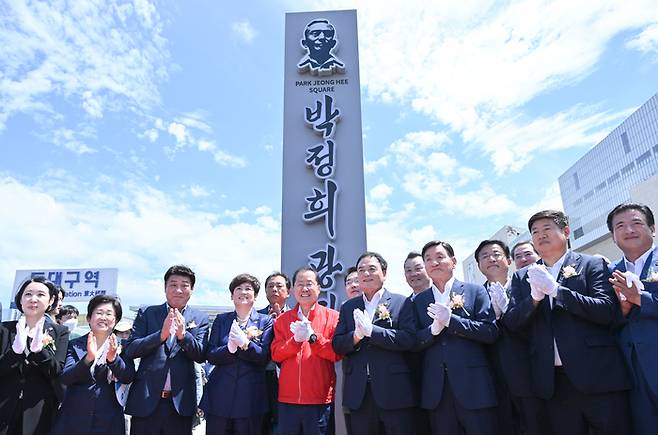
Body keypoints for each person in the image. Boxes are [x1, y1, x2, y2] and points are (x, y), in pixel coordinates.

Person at [503, 210, 632, 435]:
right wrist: (534, 300)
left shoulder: (591, 264)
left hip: (598, 375)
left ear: (565, 231)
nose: (540, 235)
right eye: (535, 232)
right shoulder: (522, 277)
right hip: (553, 382)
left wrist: (557, 291)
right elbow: (512, 324)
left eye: (547, 229)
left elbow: (607, 311)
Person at [413, 241, 498, 435]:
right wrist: (432, 331)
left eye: (440, 257)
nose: (434, 262)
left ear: (453, 261)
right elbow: (413, 342)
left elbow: (490, 332)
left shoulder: (475, 291)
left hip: (474, 387)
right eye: (428, 260)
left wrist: (453, 321)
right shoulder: (419, 301)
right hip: (437, 392)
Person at [332, 252, 416, 435]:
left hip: (393, 391)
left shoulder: (401, 302)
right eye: (361, 270)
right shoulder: (348, 307)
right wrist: (355, 336)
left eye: (372, 269)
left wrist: (373, 332)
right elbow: (337, 344)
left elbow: (409, 339)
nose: (366, 274)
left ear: (384, 273)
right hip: (359, 394)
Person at [124, 265, 209, 435]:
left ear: (191, 290)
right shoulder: (147, 313)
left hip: (180, 404)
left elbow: (200, 355)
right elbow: (131, 349)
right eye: (173, 284)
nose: (178, 290)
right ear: (165, 288)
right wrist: (160, 336)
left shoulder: (199, 318)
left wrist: (184, 336)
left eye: (184, 285)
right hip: (146, 401)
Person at [475, 240, 549, 435]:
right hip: (494, 379)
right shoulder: (475, 295)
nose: (491, 259)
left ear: (509, 260)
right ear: (479, 265)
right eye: (484, 256)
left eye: (496, 254)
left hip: (532, 373)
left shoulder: (529, 286)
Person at [606, 203, 658, 433]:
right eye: (620, 226)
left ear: (652, 228)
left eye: (636, 223)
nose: (629, 230)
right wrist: (622, 312)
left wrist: (640, 299)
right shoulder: (607, 272)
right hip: (631, 371)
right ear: (613, 236)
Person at [271, 267, 341, 435]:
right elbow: (276, 354)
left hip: (319, 399)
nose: (304, 289)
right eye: (299, 284)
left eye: (309, 284)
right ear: (293, 289)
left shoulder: (333, 317)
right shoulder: (282, 320)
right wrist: (295, 341)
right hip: (288, 400)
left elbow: (336, 353)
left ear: (318, 288)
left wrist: (313, 339)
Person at [201, 273, 273, 434]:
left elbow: (263, 357)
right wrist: (230, 349)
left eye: (248, 289)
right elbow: (211, 354)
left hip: (250, 398)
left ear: (255, 296)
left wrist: (246, 344)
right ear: (232, 296)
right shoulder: (221, 320)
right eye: (238, 288)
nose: (243, 292)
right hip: (219, 396)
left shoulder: (265, 321)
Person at [52, 295, 135, 435]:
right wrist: (88, 359)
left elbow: (128, 376)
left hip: (109, 421)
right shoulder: (74, 344)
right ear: (90, 318)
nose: (103, 317)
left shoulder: (124, 347)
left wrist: (113, 360)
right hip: (73, 419)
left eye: (109, 314)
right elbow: (66, 377)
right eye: (99, 313)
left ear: (115, 321)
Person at [0, 276, 69, 435]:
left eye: (40, 294)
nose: (33, 299)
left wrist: (40, 351)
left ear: (51, 300)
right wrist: (15, 353)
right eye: (28, 294)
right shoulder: (4, 329)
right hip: (4, 409)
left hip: (38, 413)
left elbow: (56, 371)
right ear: (21, 299)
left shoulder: (60, 332)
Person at [258, 272, 292, 435]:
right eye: (270, 286)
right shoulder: (255, 316)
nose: (274, 289)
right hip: (259, 377)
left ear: (289, 291)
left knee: (283, 425)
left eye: (279, 286)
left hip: (286, 379)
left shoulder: (297, 317)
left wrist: (281, 321)